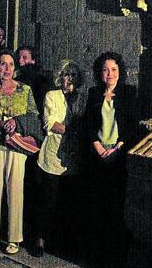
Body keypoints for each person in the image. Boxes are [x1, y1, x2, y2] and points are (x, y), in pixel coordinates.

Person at [0, 50, 42, 254]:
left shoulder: (25, 90)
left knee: (15, 191)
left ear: (15, 68)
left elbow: (34, 117)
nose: (6, 68)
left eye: (10, 64)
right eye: (2, 64)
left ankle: (14, 239)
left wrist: (17, 123)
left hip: (17, 145)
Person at [84, 51, 138, 266]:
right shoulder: (94, 93)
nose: (110, 74)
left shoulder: (129, 92)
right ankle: (99, 254)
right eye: (105, 70)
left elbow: (132, 125)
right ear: (100, 73)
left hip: (119, 157)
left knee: (117, 207)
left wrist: (117, 148)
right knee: (98, 206)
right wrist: (97, 147)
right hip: (97, 156)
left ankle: (116, 257)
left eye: (114, 69)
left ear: (120, 71)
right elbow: (88, 124)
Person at [33, 60, 86, 257]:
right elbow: (50, 123)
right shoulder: (51, 95)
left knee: (68, 202)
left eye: (73, 74)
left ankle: (62, 241)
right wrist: (72, 131)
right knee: (48, 200)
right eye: (66, 74)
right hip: (53, 155)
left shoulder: (82, 97)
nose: (70, 78)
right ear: (60, 77)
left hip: (73, 156)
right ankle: (40, 240)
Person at [14, 45, 48, 114]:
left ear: (33, 60)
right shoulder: (16, 80)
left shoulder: (41, 80)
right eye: (19, 58)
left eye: (24, 57)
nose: (20, 61)